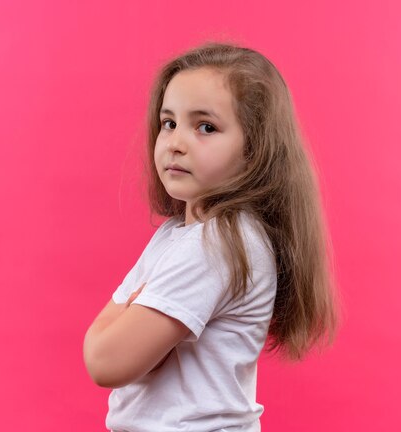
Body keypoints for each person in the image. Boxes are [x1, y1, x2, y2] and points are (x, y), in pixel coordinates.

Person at [83, 40, 341, 432]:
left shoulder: (218, 244)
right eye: (169, 123)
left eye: (205, 127)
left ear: (254, 151)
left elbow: (105, 361)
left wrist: (125, 315)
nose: (176, 143)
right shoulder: (179, 235)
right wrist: (121, 323)